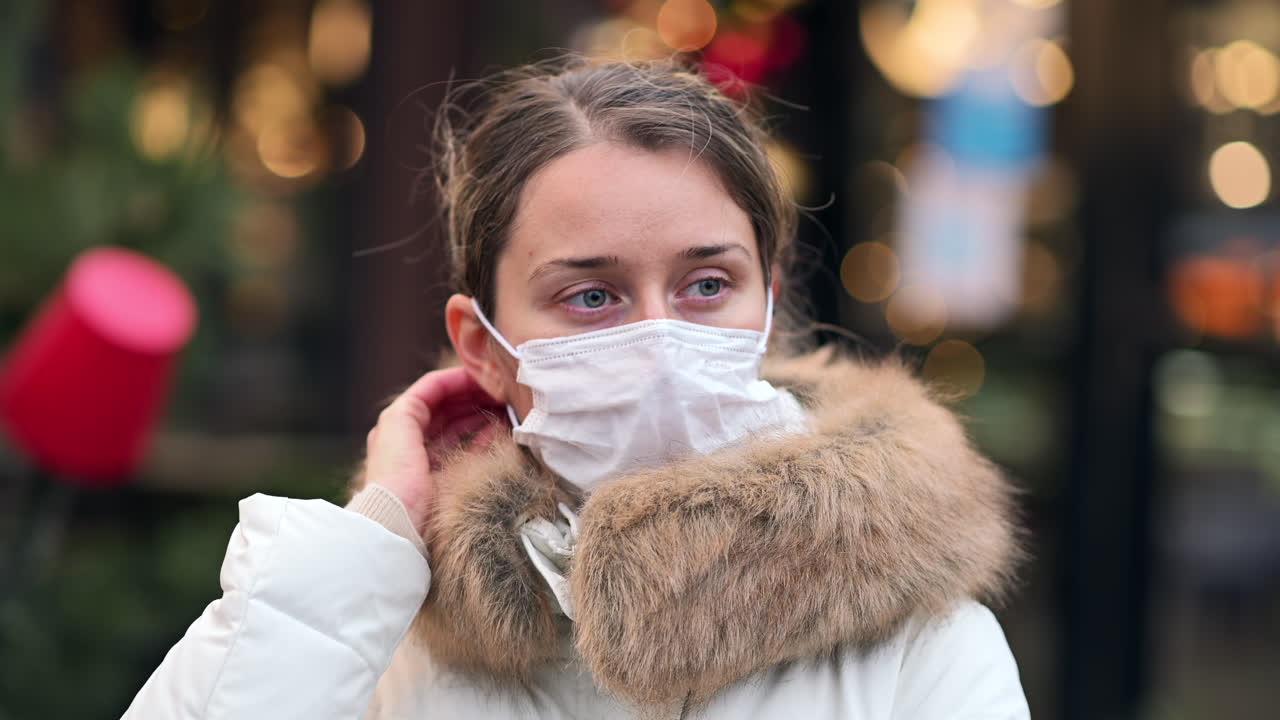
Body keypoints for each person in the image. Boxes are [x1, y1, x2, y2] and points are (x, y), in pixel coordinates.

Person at [122, 57, 1030, 719]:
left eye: (706, 284)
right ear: (482, 347)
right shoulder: (389, 634)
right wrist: (371, 550)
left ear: (768, 303)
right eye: (590, 295)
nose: (658, 335)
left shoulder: (919, 637)